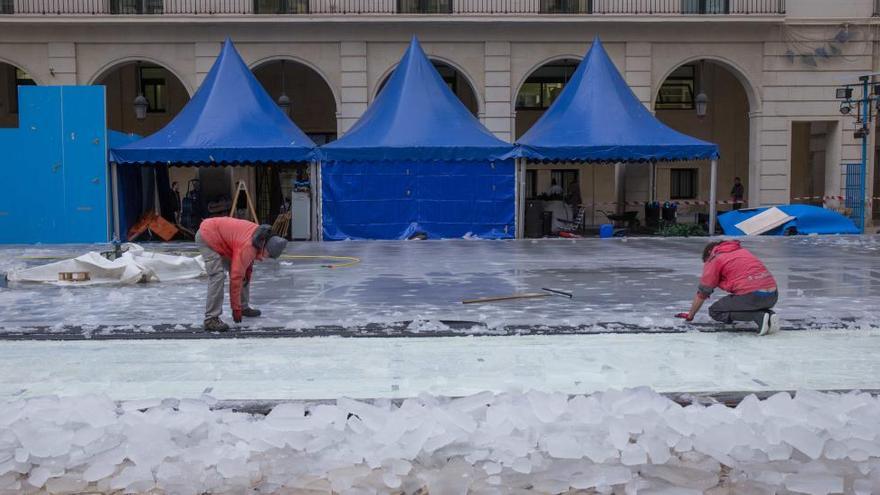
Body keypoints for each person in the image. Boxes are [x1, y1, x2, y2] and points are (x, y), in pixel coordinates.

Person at [195, 217, 288, 332]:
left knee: (242, 273)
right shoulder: (248, 246)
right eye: (268, 255)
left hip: (222, 238)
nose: (265, 259)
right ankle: (211, 319)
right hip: (207, 236)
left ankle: (244, 307)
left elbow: (246, 267)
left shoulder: (260, 238)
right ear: (266, 247)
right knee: (217, 276)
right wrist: (235, 308)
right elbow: (235, 277)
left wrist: (240, 306)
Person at [678, 240, 779, 335]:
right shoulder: (741, 251)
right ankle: (768, 314)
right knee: (744, 299)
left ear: (709, 252)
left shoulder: (714, 258)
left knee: (715, 311)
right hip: (772, 296)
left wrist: (691, 315)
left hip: (752, 296)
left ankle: (758, 316)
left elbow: (703, 292)